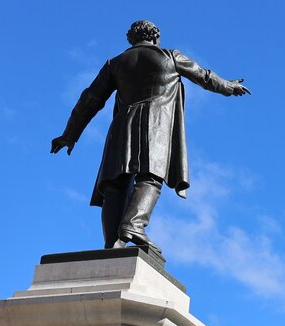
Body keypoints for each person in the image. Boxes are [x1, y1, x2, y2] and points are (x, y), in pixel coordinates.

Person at [52, 19, 250, 257]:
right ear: (155, 37)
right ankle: (134, 225)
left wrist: (69, 135)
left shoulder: (115, 64)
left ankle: (113, 243)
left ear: (131, 39)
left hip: (121, 127)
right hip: (155, 125)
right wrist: (228, 86)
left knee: (114, 184)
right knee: (150, 178)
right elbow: (204, 76)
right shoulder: (171, 56)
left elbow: (90, 100)